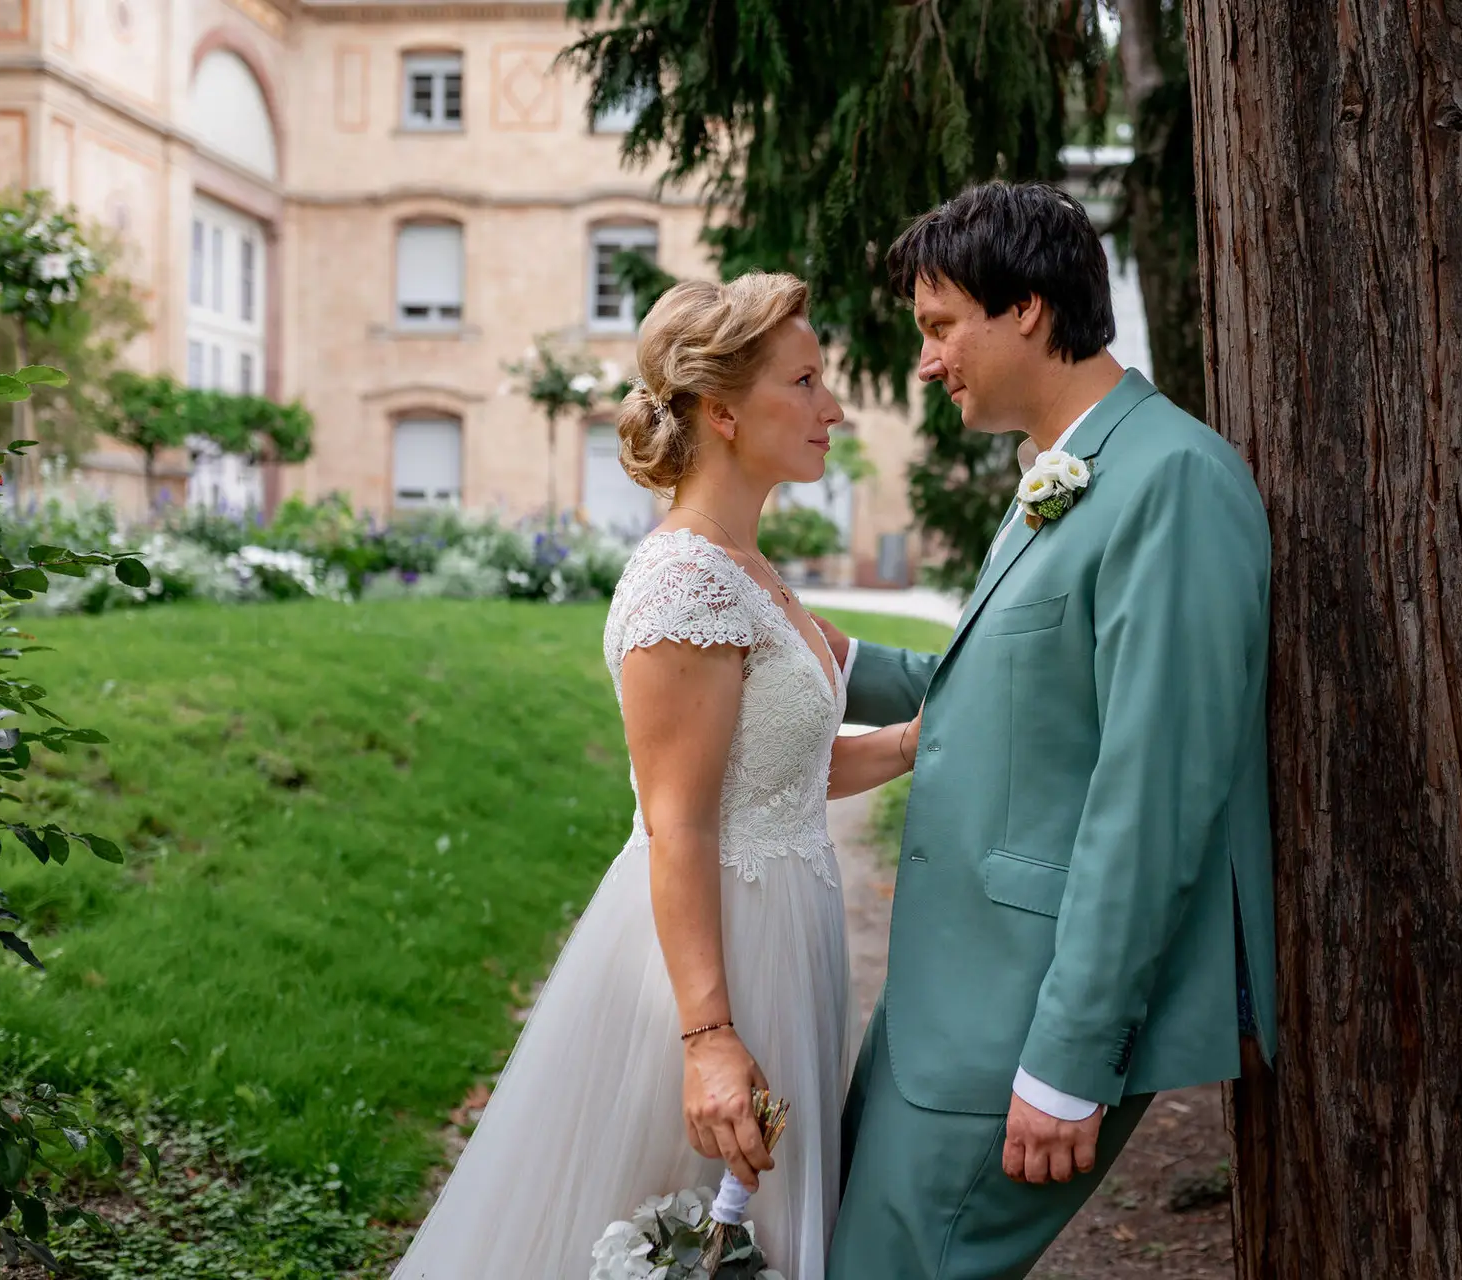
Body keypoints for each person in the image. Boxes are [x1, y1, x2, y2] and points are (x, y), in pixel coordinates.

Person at [391, 272, 918, 1280]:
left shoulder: (748, 565)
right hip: (710, 958)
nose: (833, 407)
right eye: (805, 381)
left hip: (783, 934)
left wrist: (909, 743)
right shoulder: (684, 579)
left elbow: (774, 775)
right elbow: (680, 823)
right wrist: (712, 1036)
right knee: (663, 1225)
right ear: (722, 409)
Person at [819, 181, 1278, 1280]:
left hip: (1022, 1016)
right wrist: (819, 661)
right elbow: (1015, 689)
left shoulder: (1171, 479)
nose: (928, 361)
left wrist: (1071, 1060)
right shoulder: (1068, 470)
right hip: (947, 1000)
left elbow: (1152, 791)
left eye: (940, 325)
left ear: (1025, 306)